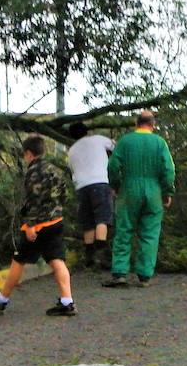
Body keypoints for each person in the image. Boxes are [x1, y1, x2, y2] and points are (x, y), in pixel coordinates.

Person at [0, 135, 76, 316]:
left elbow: (33, 201)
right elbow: (65, 195)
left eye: (25, 155)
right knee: (57, 260)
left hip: (38, 225)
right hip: (56, 221)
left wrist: (30, 225)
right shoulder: (54, 169)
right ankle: (67, 301)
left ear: (29, 153)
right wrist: (57, 210)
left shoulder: (33, 173)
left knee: (19, 260)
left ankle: (1, 300)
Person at [103, 110, 175, 288]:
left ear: (137, 123)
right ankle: (144, 276)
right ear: (153, 124)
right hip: (154, 191)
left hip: (129, 188)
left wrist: (116, 185)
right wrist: (167, 192)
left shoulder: (126, 141)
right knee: (150, 233)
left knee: (124, 230)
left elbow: (112, 165)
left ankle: (120, 273)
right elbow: (169, 170)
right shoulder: (160, 143)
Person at [67, 121, 115, 270]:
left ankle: (89, 257)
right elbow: (116, 147)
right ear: (87, 131)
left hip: (81, 186)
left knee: (87, 220)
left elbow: (72, 169)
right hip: (100, 182)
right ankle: (102, 254)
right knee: (102, 217)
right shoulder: (99, 139)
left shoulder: (72, 150)